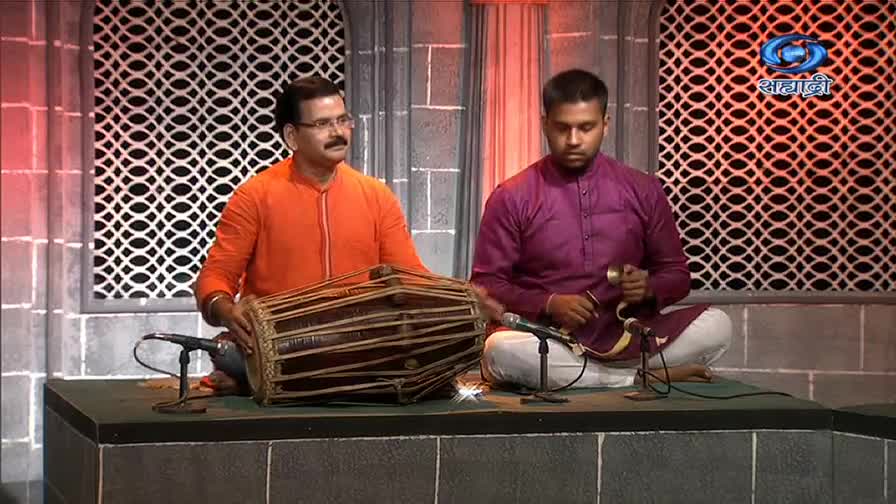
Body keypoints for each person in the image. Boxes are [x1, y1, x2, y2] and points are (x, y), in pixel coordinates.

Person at [195, 76, 500, 391]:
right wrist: (226, 311)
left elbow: (411, 276)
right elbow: (215, 276)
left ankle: (250, 383)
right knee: (229, 352)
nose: (337, 132)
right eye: (322, 124)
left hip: (361, 345)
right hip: (283, 345)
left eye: (342, 120)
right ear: (292, 136)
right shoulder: (255, 196)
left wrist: (462, 300)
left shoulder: (375, 196)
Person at [470, 69, 731, 390]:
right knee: (500, 350)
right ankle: (633, 379)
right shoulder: (512, 196)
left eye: (586, 127)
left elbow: (677, 275)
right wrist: (549, 303)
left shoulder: (644, 190)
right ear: (545, 124)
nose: (574, 139)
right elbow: (486, 286)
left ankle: (593, 378)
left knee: (718, 325)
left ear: (605, 124)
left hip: (627, 337)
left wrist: (649, 288)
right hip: (548, 340)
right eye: (562, 128)